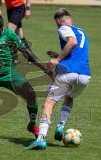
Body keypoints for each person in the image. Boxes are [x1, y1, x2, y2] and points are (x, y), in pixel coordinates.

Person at [26, 8, 91, 150]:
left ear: (58, 21)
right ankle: (61, 125)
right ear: (71, 19)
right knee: (69, 96)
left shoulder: (63, 28)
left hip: (67, 74)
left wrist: (57, 59)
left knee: (48, 104)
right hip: (85, 76)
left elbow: (72, 42)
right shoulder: (82, 32)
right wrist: (57, 54)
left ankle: (41, 139)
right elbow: (76, 53)